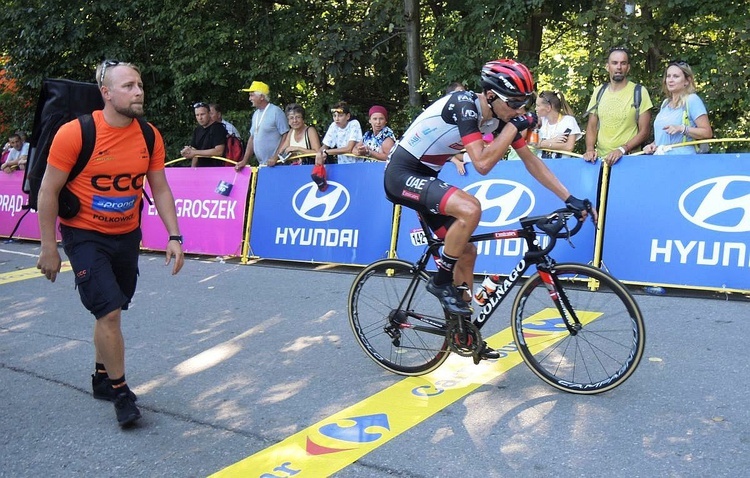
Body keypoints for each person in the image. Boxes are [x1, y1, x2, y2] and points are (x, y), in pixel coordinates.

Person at [383, 59, 595, 359]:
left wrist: (569, 198)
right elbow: (481, 163)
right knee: (471, 208)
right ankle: (441, 281)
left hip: (426, 178)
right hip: (401, 174)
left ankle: (464, 332)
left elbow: (532, 162)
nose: (521, 110)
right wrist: (513, 129)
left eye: (526, 103)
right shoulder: (464, 106)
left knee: (466, 251)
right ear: (492, 96)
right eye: (515, 103)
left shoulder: (500, 120)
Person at [35, 60, 184, 427]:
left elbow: (159, 188)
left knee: (112, 308)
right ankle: (121, 392)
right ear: (107, 93)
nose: (138, 91)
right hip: (83, 234)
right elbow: (48, 190)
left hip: (126, 235)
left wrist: (175, 235)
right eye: (129, 86)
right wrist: (49, 246)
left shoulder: (149, 135)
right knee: (110, 312)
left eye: (140, 84)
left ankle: (102, 375)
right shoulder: (75, 133)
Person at [583, 47, 653, 166]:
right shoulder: (599, 91)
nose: (619, 67)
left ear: (628, 67)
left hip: (628, 160)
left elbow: (644, 131)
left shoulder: (639, 92)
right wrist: (590, 149)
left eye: (623, 63)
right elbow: (592, 126)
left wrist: (622, 150)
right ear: (607, 67)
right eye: (614, 63)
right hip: (600, 161)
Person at [642, 61, 712, 155]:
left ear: (687, 81)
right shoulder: (665, 104)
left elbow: (707, 132)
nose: (670, 80)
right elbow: (663, 137)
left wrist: (682, 129)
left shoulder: (692, 100)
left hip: (683, 161)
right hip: (661, 160)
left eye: (676, 76)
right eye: (668, 76)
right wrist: (652, 145)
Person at [234, 81, 289, 169]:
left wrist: (276, 156)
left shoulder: (276, 111)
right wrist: (244, 160)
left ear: (262, 97)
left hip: (278, 164)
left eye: (252, 95)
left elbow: (286, 135)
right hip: (263, 165)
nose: (249, 98)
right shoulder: (256, 114)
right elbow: (252, 138)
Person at [533, 90, 582, 158]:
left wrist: (541, 143)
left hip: (561, 166)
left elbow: (569, 147)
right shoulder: (539, 121)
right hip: (540, 165)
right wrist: (552, 141)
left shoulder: (569, 121)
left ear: (548, 108)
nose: (536, 108)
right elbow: (531, 142)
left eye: (538, 105)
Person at [315, 101, 363, 165]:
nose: (336, 119)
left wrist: (326, 152)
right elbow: (325, 146)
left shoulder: (354, 124)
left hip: (357, 165)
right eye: (334, 116)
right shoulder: (333, 125)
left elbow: (348, 149)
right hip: (341, 165)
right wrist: (319, 153)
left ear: (348, 116)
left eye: (340, 116)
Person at [182, 102, 227, 167]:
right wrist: (192, 170)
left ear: (209, 114)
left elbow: (219, 151)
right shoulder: (197, 130)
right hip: (201, 169)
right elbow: (194, 152)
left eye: (202, 114)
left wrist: (195, 152)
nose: (200, 118)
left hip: (217, 169)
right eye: (197, 115)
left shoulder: (218, 128)